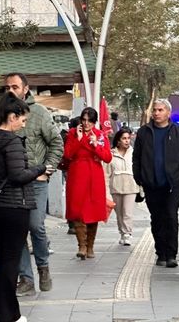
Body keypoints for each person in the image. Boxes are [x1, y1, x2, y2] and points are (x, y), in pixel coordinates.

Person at [0, 93, 53, 322]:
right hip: (16, 205)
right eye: (22, 120)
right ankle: (9, 314)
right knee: (10, 261)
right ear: (11, 116)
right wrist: (40, 169)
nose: (23, 124)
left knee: (3, 258)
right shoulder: (11, 141)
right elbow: (18, 175)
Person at [3, 73, 63, 295]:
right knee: (17, 230)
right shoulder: (1, 114)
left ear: (25, 89)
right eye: (7, 87)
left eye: (15, 86)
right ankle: (26, 279)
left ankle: (43, 267)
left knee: (35, 225)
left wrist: (47, 170)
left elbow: (57, 143)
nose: (10, 90)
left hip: (36, 181)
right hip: (11, 183)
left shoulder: (38, 113)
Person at [132, 99, 179, 268]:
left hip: (173, 184)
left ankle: (171, 254)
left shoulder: (178, 131)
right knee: (157, 219)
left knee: (171, 217)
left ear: (168, 112)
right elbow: (137, 156)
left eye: (160, 110)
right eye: (155, 110)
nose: (156, 113)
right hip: (151, 184)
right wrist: (139, 177)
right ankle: (161, 252)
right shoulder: (144, 132)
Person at [63, 107, 112, 260]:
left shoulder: (100, 135)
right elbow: (68, 154)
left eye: (89, 121)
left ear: (94, 121)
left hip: (94, 175)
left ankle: (90, 245)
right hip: (77, 173)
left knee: (93, 210)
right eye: (83, 120)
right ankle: (81, 245)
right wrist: (78, 139)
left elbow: (107, 157)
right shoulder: (72, 133)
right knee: (77, 209)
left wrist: (96, 144)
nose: (86, 123)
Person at [105, 128, 139, 246]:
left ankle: (127, 234)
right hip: (116, 186)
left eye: (128, 138)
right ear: (118, 141)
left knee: (127, 212)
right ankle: (122, 232)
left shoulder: (134, 153)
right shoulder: (111, 154)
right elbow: (106, 173)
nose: (127, 141)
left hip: (131, 186)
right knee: (119, 213)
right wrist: (106, 191)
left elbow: (138, 170)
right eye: (124, 138)